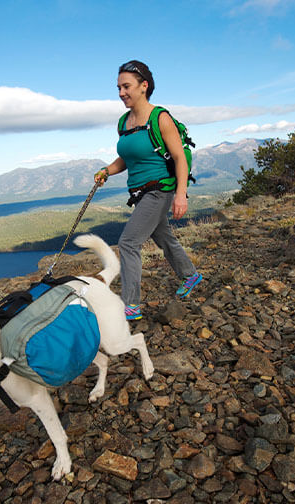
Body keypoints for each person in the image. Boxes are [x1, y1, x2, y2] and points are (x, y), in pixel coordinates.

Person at [94, 60, 202, 320]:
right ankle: (190, 275)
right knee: (163, 237)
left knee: (128, 243)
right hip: (140, 193)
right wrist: (107, 171)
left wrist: (180, 194)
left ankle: (130, 305)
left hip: (160, 190)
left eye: (126, 86)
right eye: (118, 87)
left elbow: (179, 158)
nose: (121, 93)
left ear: (144, 86)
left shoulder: (160, 118)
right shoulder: (124, 122)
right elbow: (127, 158)